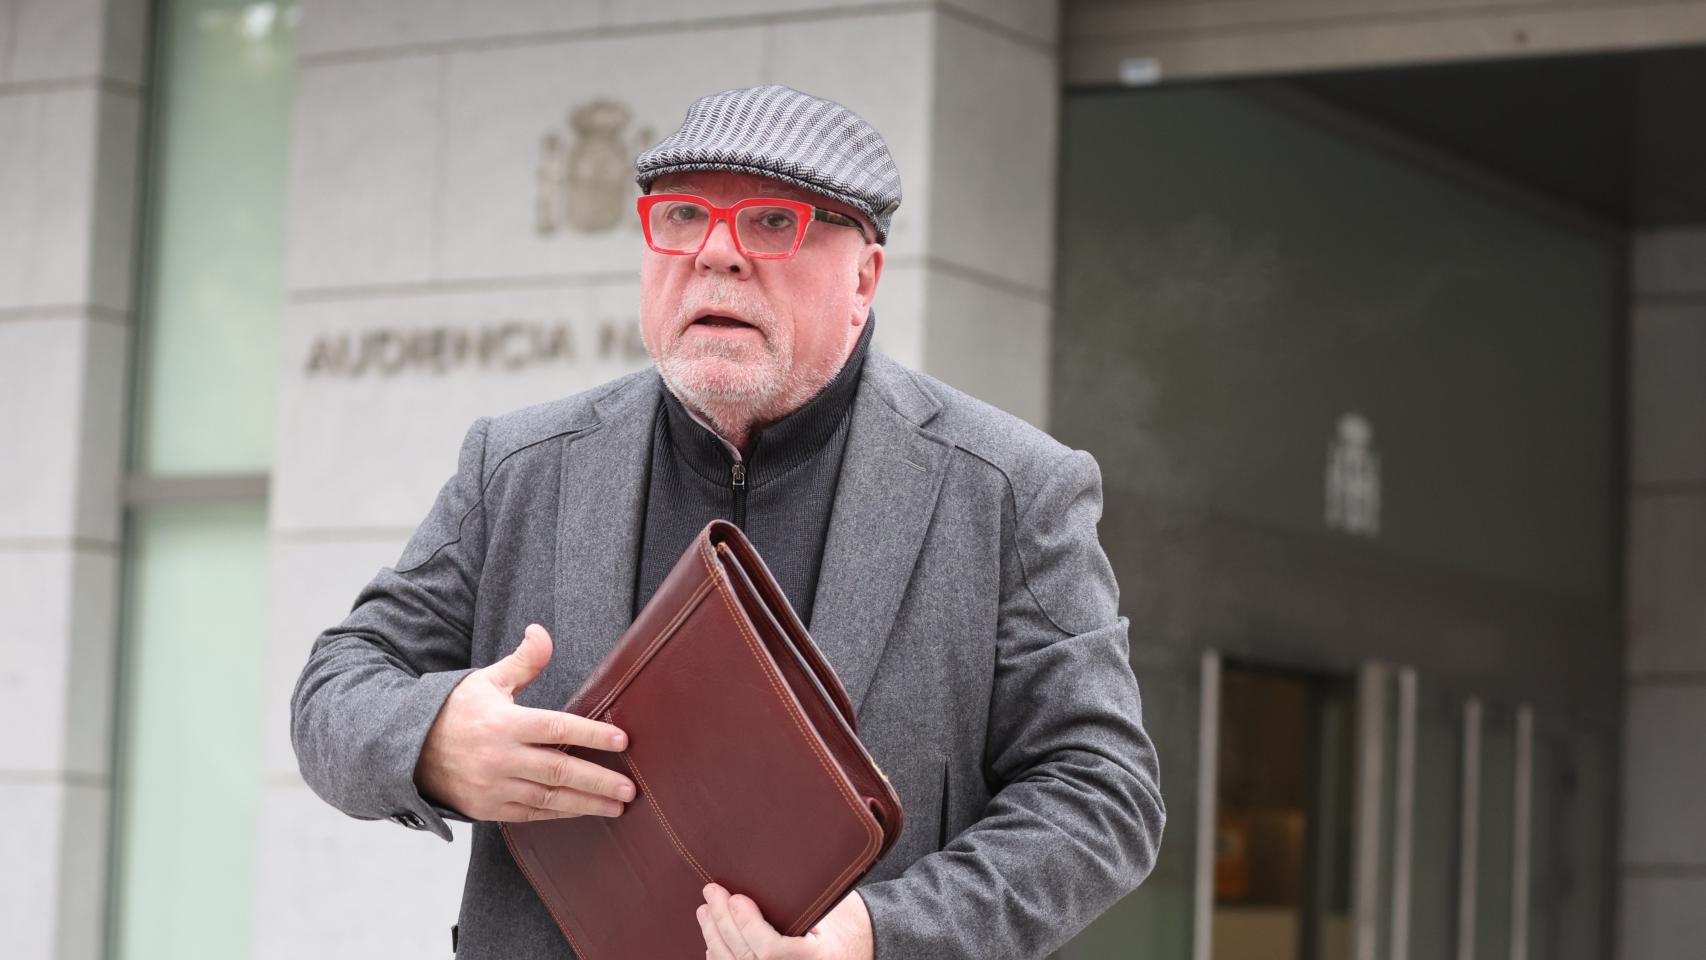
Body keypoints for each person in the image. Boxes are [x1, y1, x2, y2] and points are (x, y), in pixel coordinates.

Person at [290, 84, 1164, 960]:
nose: (716, 254)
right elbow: (337, 686)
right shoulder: (519, 466)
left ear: (864, 279)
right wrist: (434, 741)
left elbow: (1103, 794)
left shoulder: (1010, 489)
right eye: (681, 216)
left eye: (772, 223)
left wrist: (876, 936)